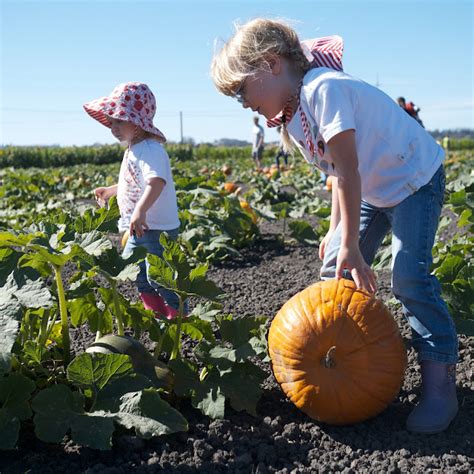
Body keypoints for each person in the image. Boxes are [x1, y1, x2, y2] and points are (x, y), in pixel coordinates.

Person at [211, 18, 458, 434]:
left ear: (271, 65)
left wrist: (351, 243)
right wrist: (336, 231)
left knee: (410, 279)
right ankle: (351, 356)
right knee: (335, 268)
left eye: (241, 90)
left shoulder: (323, 89)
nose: (242, 102)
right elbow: (334, 173)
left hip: (413, 180)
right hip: (375, 188)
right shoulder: (292, 116)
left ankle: (441, 390)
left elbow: (347, 167)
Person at [84, 82, 181, 320]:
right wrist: (111, 190)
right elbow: (133, 182)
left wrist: (140, 211)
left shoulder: (149, 149)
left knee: (159, 277)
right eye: (111, 121)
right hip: (138, 227)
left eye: (118, 121)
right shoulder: (134, 148)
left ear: (137, 123)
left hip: (155, 228)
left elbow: (156, 182)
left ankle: (178, 317)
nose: (112, 127)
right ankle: (156, 316)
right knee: (138, 274)